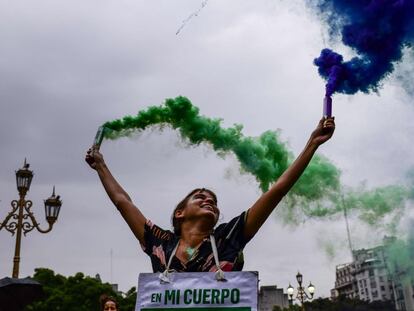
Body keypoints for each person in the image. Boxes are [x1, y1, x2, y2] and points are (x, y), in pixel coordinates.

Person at [85, 117, 335, 274]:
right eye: (200, 197)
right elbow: (122, 202)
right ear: (179, 213)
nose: (209, 201)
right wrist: (101, 166)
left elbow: (277, 190)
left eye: (214, 202)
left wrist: (312, 143)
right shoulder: (160, 243)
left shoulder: (229, 237)